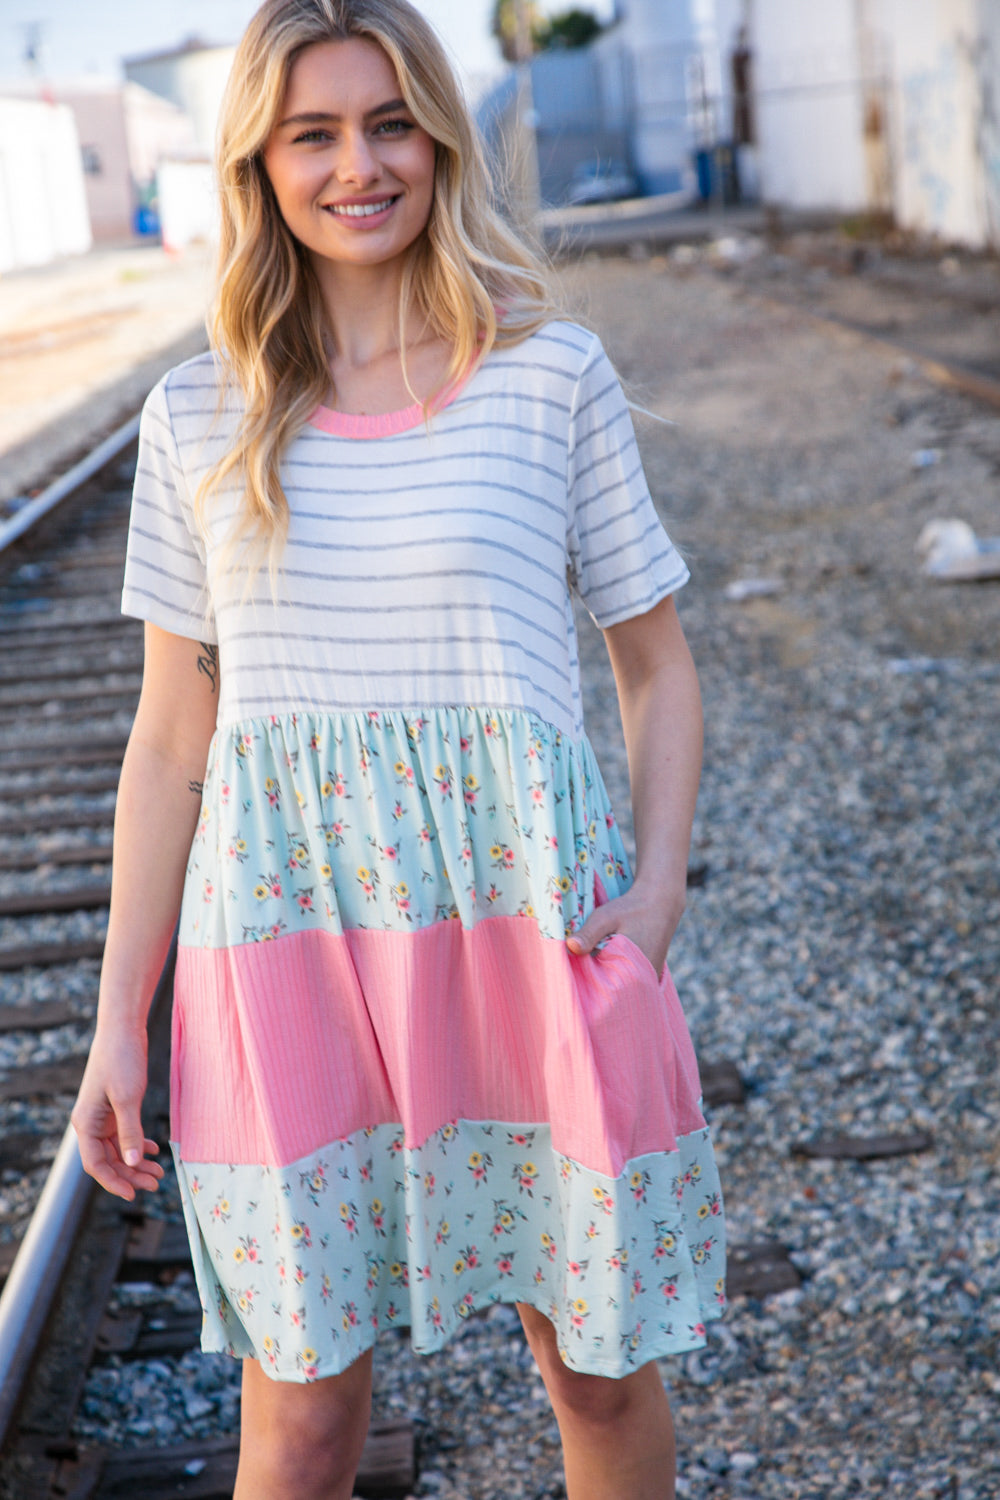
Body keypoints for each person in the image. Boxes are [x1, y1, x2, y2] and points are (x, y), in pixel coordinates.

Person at [71, 2, 726, 1496]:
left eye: (389, 125)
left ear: (439, 140)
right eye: (313, 134)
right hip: (285, 954)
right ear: (261, 163)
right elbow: (170, 742)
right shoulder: (198, 415)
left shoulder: (550, 376)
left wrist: (659, 892)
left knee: (598, 1377)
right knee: (304, 1420)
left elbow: (658, 665)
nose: (358, 166)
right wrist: (119, 1020)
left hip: (523, 940)